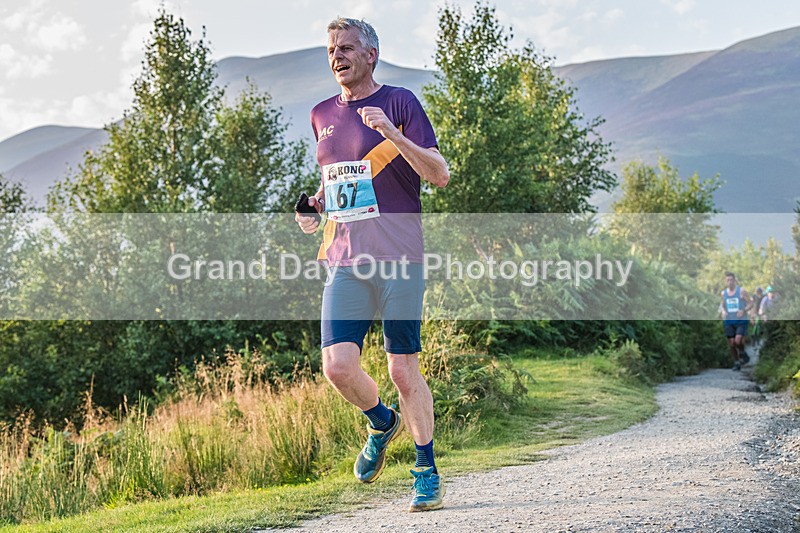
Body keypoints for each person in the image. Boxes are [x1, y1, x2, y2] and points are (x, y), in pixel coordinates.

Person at [295, 17, 449, 512]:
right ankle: (382, 422)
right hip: (346, 259)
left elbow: (439, 174)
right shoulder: (321, 114)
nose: (337, 56)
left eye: (346, 48)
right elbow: (336, 183)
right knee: (337, 367)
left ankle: (425, 468)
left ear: (370, 56)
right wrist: (314, 208)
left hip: (400, 257)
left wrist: (391, 133)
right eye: (331, 51)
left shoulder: (400, 102)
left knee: (403, 370)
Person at [721, 272, 753, 370]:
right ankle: (736, 362)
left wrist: (743, 310)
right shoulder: (723, 293)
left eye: (731, 280)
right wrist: (723, 311)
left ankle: (743, 353)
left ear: (734, 280)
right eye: (728, 280)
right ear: (725, 281)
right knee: (731, 343)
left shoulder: (741, 291)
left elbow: (751, 303)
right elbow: (723, 305)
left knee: (737, 340)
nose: (730, 282)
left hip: (740, 320)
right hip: (729, 320)